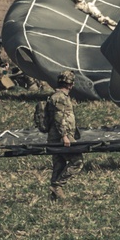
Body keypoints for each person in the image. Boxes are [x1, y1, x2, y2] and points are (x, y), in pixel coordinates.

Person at [43, 70, 83, 199]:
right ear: (70, 84)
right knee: (77, 161)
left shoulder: (56, 96)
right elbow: (59, 118)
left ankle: (54, 196)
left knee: (59, 164)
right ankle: (57, 185)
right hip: (61, 137)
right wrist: (64, 136)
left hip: (54, 137)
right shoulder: (60, 98)